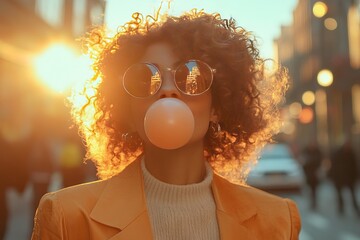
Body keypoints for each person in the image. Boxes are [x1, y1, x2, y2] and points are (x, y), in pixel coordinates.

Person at [31, 9, 301, 239]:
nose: (168, 90)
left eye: (190, 77)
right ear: (128, 111)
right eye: (145, 78)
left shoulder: (277, 221)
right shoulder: (67, 217)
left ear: (217, 108)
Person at [329, 138, 360, 216]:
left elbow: (355, 166)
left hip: (350, 178)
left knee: (353, 195)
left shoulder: (351, 153)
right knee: (339, 195)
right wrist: (333, 177)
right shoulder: (337, 153)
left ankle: (356, 209)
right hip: (339, 178)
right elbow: (334, 166)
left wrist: (355, 177)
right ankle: (341, 208)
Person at [300, 141, 323, 209]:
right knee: (310, 189)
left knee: (314, 190)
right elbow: (303, 162)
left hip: (315, 174)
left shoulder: (318, 152)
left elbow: (320, 162)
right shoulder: (305, 151)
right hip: (308, 174)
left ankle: (314, 202)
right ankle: (312, 202)